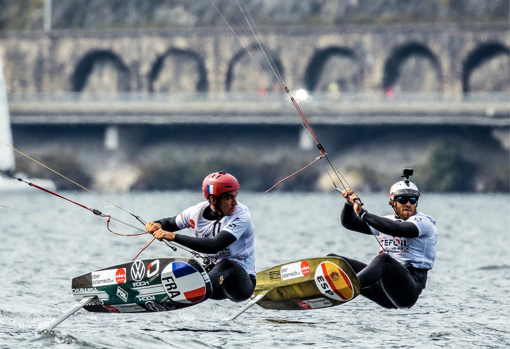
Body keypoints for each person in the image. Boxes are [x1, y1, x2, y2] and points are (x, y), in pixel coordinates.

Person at [330, 169, 438, 309]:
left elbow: (396, 229)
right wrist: (349, 203)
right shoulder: (385, 221)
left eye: (412, 200)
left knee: (384, 259)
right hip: (383, 289)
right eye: (402, 199)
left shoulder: (424, 223)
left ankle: (348, 287)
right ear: (392, 202)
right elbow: (349, 223)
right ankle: (308, 290)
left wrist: (363, 213)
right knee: (334, 261)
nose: (408, 204)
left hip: (407, 292)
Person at [145, 171, 256, 303]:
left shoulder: (242, 216)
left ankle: (178, 294)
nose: (235, 203)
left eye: (235, 196)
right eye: (229, 198)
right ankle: (150, 291)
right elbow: (169, 223)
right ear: (213, 199)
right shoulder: (196, 213)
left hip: (240, 285)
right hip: (214, 282)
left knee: (226, 265)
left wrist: (174, 236)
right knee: (181, 266)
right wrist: (157, 224)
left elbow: (215, 245)